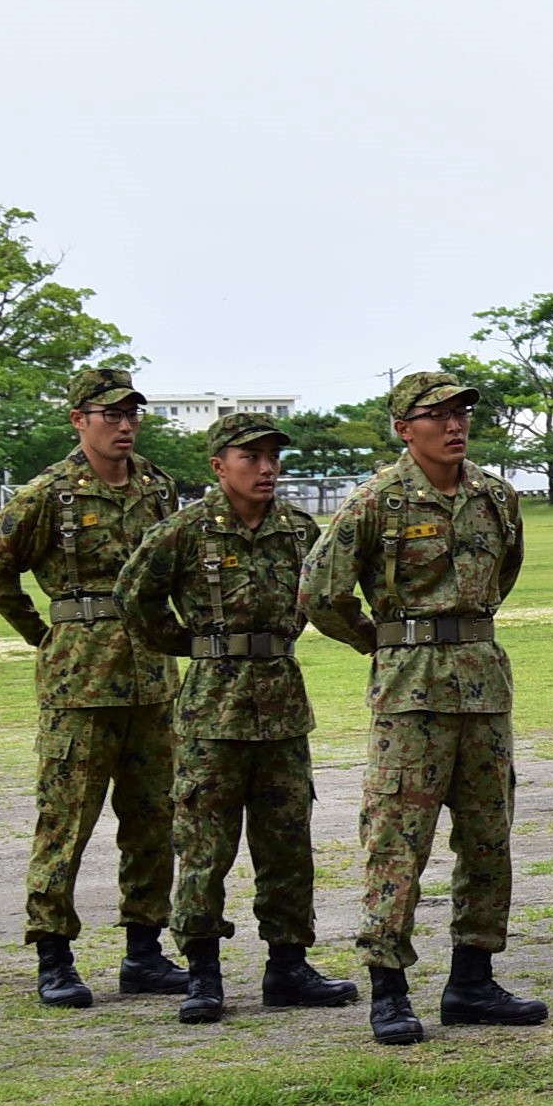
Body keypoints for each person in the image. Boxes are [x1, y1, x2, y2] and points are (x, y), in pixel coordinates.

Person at [301, 372, 545, 1046]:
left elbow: (506, 573)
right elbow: (321, 591)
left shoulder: (495, 497)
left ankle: (473, 980)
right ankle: (389, 987)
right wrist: (382, 644)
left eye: (461, 411)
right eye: (436, 414)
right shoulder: (375, 501)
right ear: (405, 428)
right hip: (410, 693)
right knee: (397, 839)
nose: (454, 423)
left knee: (488, 836)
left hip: (483, 685)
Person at [119, 414, 359, 1023]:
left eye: (273, 456)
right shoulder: (185, 531)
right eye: (250, 457)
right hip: (210, 713)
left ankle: (289, 965)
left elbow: (327, 593)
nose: (265, 468)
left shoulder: (300, 531)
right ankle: (202, 971)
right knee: (203, 845)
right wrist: (190, 644)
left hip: (281, 706)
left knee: (287, 842)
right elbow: (133, 597)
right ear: (218, 465)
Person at [0, 367, 187, 1005]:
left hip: (151, 681)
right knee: (66, 821)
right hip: (79, 683)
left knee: (154, 818)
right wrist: (44, 633)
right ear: (79, 420)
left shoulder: (156, 487)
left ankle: (144, 951)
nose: (124, 426)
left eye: (132, 415)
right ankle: (54, 954)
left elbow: (169, 570)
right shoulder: (49, 494)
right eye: (110, 415)